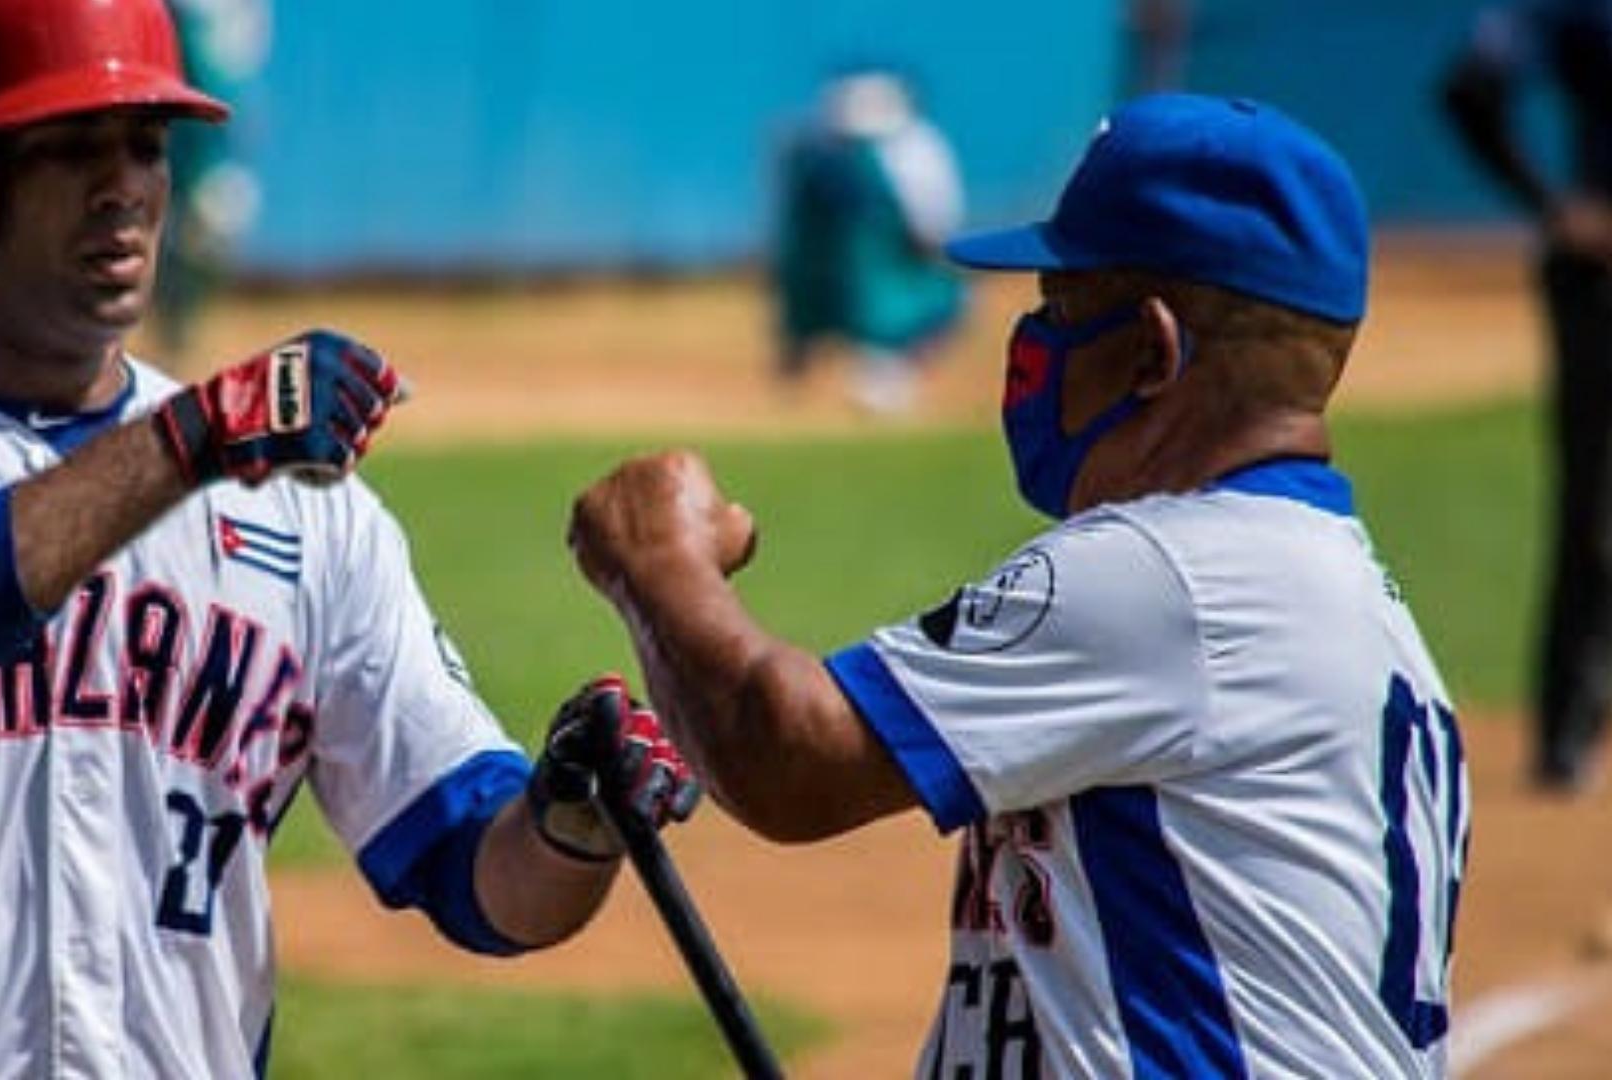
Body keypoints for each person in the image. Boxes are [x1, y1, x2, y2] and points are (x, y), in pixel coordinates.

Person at [0, 0, 697, 1074]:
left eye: (146, 145)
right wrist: (192, 440)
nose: (124, 186)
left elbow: (475, 872)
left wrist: (569, 822)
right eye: (72, 146)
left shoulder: (302, 507)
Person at [570, 94, 1471, 1077]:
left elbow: (787, 755)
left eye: (1059, 306)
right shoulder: (1347, 597)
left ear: (1151, 351)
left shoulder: (1174, 575)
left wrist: (657, 559)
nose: (1034, 341)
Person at [1443, 0, 1612, 793]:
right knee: (1594, 503)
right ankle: (1569, 726)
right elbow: (1470, 89)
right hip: (1599, 276)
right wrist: (1553, 204)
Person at [772, 67, 968, 415]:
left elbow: (933, 225)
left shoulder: (915, 149)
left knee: (930, 302)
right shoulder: (817, 151)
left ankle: (889, 366)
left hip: (903, 267)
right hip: (837, 273)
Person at [156, 0, 271, 363]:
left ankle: (180, 331)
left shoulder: (220, 24)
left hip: (211, 139)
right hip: (170, 119)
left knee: (210, 226)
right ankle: (167, 332)